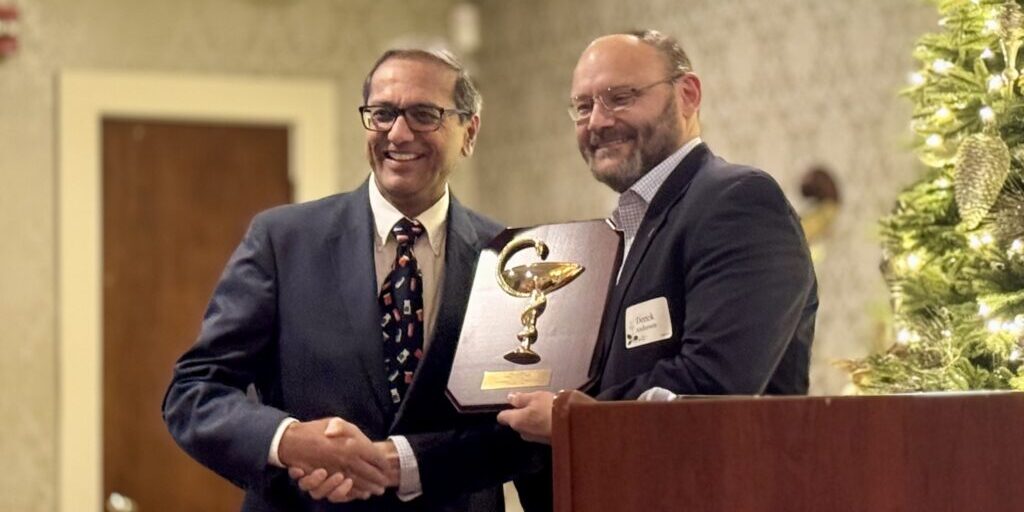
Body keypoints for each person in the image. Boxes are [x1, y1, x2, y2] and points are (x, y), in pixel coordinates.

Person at [163, 48, 542, 511]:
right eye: (382, 114)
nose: (398, 134)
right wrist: (288, 440)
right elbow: (195, 392)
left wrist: (403, 462)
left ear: (470, 132)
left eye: (424, 114)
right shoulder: (282, 242)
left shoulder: (507, 257)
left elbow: (523, 427)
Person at [497, 30, 818, 442]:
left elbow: (713, 384)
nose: (597, 121)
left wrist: (574, 419)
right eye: (582, 106)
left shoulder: (739, 202)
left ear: (687, 94)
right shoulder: (616, 235)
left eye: (620, 97)